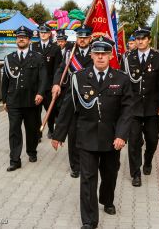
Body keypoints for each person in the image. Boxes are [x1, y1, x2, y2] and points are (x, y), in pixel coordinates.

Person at [52, 36, 133, 229]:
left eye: (104, 54)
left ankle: (107, 199)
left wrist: (121, 135)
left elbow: (127, 110)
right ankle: (89, 220)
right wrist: (58, 135)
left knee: (110, 174)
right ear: (92, 55)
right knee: (87, 179)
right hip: (86, 136)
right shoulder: (78, 77)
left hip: (111, 137)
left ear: (110, 55)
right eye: (97, 53)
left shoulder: (122, 79)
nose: (100, 57)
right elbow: (68, 107)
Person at [121, 27, 159, 187]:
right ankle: (136, 173)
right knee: (133, 141)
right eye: (137, 38)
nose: (140, 41)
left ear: (149, 40)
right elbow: (123, 83)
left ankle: (148, 160)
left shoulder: (158, 58)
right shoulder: (128, 58)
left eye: (143, 38)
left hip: (151, 107)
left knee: (152, 139)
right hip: (133, 107)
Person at [2, 26, 47, 171]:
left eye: (24, 37)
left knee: (32, 129)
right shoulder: (9, 59)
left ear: (29, 40)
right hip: (14, 101)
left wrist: (40, 93)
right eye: (19, 37)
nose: (21, 39)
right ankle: (15, 160)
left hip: (31, 100)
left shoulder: (38, 57)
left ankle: (32, 151)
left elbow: (43, 78)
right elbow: (5, 81)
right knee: (14, 130)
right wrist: (4, 100)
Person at [52, 24, 94, 178]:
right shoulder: (70, 52)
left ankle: (88, 163)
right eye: (79, 37)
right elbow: (61, 69)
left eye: (85, 37)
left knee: (89, 132)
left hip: (91, 96)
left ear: (90, 38)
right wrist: (56, 83)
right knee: (73, 133)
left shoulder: (96, 52)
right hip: (73, 96)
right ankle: (75, 166)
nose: (82, 40)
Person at [32, 24, 62, 139]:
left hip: (49, 85)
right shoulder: (34, 47)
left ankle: (50, 128)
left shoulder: (55, 48)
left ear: (49, 34)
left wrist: (56, 83)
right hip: (37, 85)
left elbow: (58, 68)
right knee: (36, 111)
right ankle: (38, 133)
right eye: (41, 32)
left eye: (45, 32)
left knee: (50, 109)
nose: (43, 34)